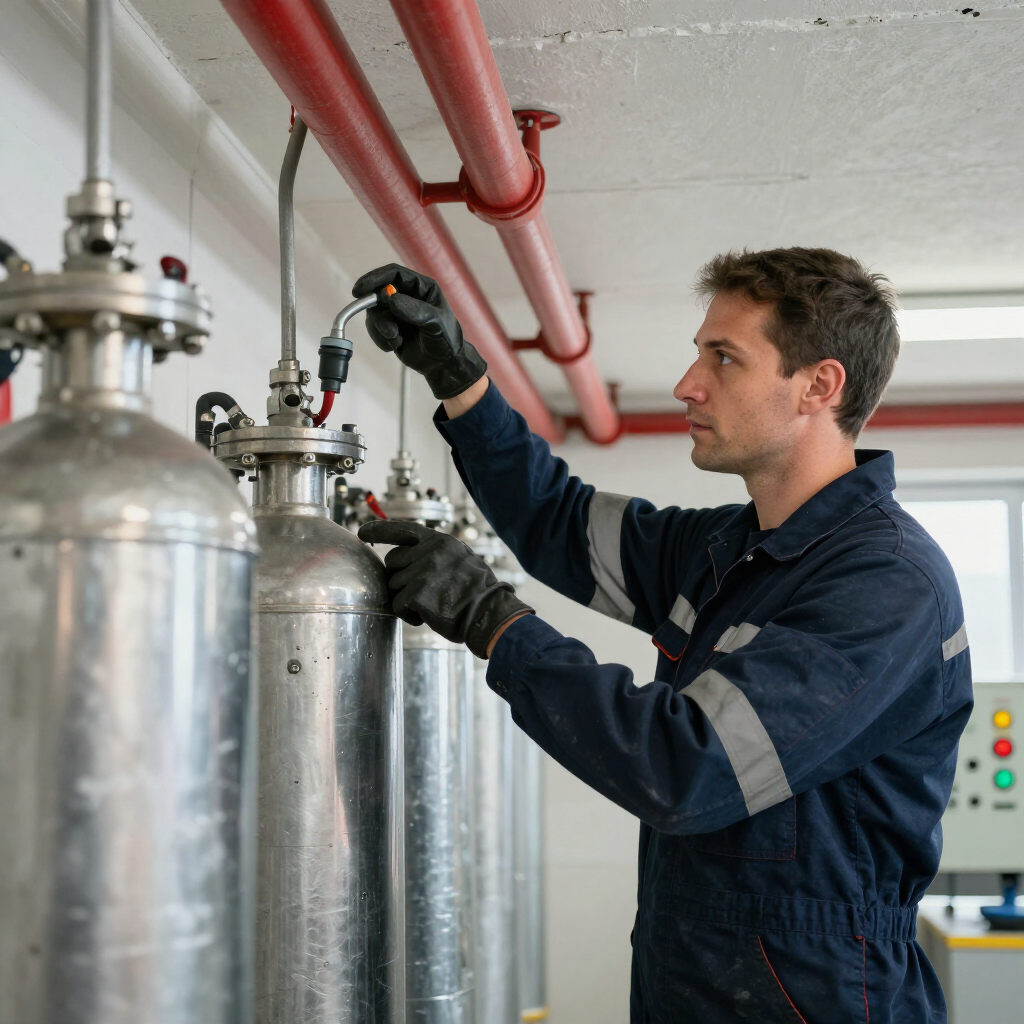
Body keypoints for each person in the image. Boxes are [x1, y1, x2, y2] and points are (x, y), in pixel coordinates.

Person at [356, 249, 972, 1023]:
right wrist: (460, 378)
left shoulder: (885, 584)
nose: (688, 383)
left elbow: (688, 768)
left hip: (816, 997)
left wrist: (495, 623)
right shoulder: (725, 551)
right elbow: (556, 520)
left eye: (723, 358)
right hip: (692, 979)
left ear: (820, 385)